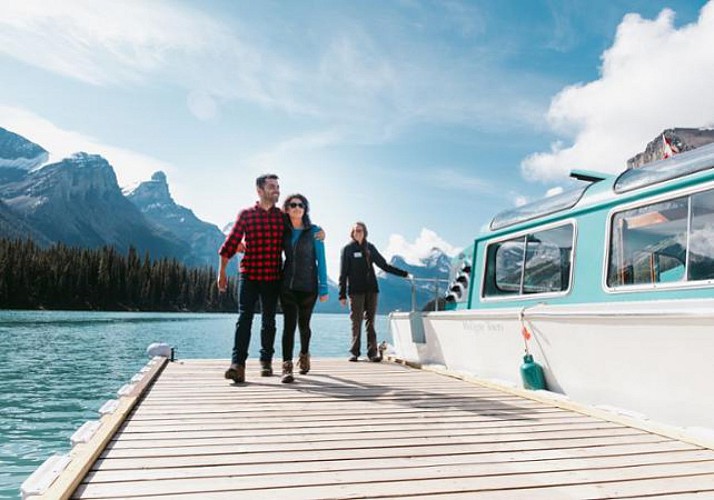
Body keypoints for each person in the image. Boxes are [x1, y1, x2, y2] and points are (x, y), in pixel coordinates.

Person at [339, 221, 409, 362]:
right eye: (355, 230)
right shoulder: (347, 249)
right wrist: (342, 294)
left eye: (360, 230)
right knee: (356, 321)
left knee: (370, 322)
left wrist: (404, 274)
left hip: (372, 290)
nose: (358, 232)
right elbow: (343, 273)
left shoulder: (370, 248)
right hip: (355, 291)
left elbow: (384, 265)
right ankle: (354, 352)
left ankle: (372, 353)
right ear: (352, 233)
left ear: (365, 232)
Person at [279, 194, 328, 383]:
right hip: (288, 286)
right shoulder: (283, 231)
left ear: (305, 209)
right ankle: (286, 366)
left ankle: (305, 355)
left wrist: (323, 288)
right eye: (293, 205)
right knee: (288, 326)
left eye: (301, 205)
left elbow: (321, 261)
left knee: (304, 325)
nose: (297, 207)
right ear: (287, 209)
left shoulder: (315, 232)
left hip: (309, 286)